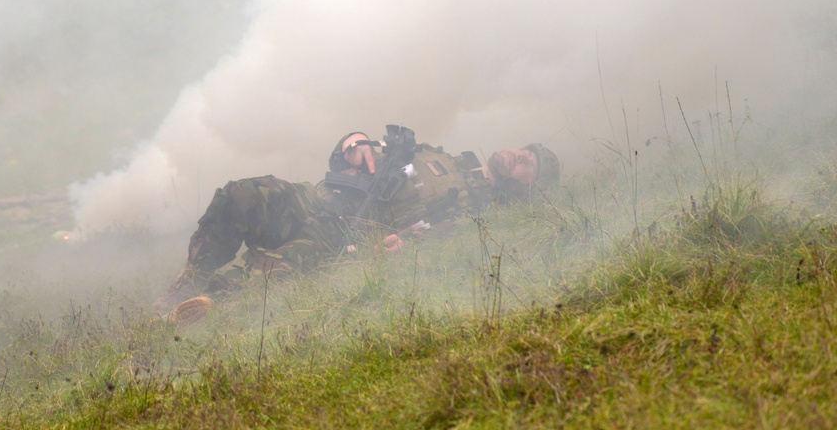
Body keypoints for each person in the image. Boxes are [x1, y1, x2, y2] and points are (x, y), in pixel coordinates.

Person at [153, 125, 560, 316]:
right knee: (240, 195)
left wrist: (405, 246)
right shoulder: (437, 152)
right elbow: (350, 153)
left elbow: (444, 242)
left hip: (345, 230)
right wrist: (354, 142)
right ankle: (189, 278)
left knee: (275, 266)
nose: (520, 158)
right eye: (524, 150)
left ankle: (205, 305)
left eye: (530, 166)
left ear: (526, 188)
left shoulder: (479, 211)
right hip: (314, 197)